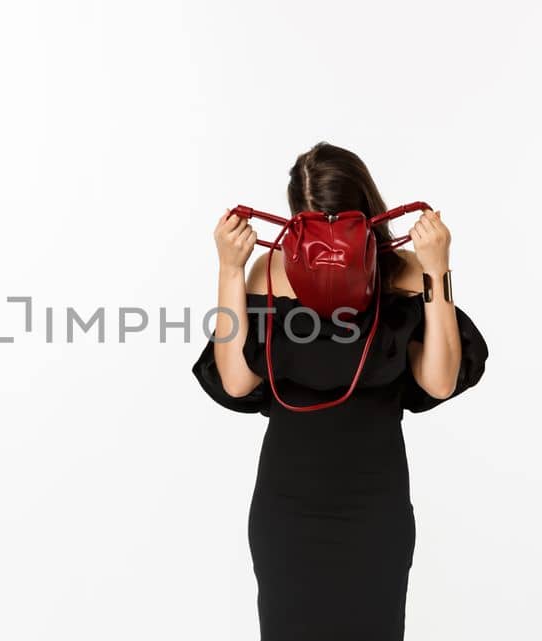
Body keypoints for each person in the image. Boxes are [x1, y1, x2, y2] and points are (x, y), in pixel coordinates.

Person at [191, 141, 489, 640]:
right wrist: (228, 270)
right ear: (294, 222)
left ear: (365, 216)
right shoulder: (270, 271)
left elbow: (439, 379)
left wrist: (438, 269)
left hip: (374, 510)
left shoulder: (408, 273)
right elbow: (236, 379)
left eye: (339, 224)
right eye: (313, 226)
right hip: (288, 511)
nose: (328, 243)